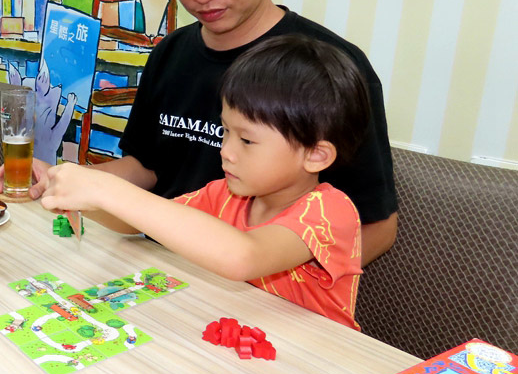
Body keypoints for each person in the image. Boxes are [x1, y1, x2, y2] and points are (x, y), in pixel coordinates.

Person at [0, 0, 397, 265]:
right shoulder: (171, 52)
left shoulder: (329, 69)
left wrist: (276, 278)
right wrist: (66, 180)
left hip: (256, 289)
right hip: (160, 274)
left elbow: (377, 226)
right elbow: (148, 170)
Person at [41, 35, 371, 329]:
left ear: (315, 155)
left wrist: (106, 189)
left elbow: (244, 256)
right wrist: (86, 200)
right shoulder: (225, 194)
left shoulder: (330, 212)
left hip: (322, 368)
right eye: (226, 130)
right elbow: (147, 223)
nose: (225, 150)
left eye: (247, 141)